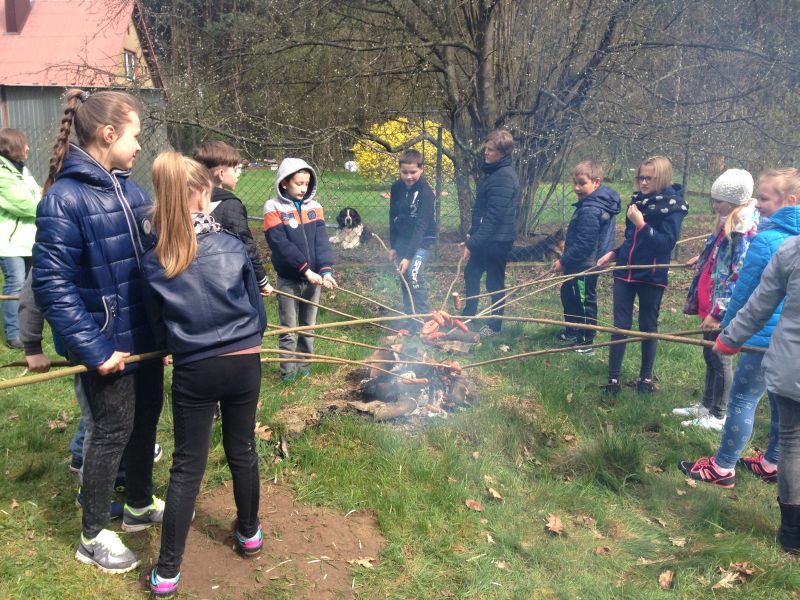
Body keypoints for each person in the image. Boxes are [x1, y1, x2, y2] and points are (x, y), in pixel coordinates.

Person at [32, 89, 164, 573]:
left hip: (146, 340)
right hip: (107, 345)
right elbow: (51, 285)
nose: (137, 146)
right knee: (110, 432)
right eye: (135, 136)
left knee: (146, 420)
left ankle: (138, 506)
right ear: (109, 135)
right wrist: (94, 347)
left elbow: (151, 267)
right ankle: (92, 535)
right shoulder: (63, 200)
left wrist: (164, 334)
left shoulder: (130, 191)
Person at [142, 152, 266, 597]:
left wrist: (173, 347)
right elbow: (258, 311)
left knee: (187, 466)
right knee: (242, 448)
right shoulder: (232, 244)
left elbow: (157, 327)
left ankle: (168, 572)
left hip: (193, 368)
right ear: (199, 195)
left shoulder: (156, 255)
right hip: (243, 362)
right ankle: (249, 533)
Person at [679, 168, 800, 486]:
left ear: (790, 201)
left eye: (763, 198)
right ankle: (773, 462)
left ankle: (722, 467)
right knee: (780, 404)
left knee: (743, 399)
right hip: (791, 346)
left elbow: (747, 293)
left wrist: (725, 324)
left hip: (760, 337)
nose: (757, 204)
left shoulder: (767, 241)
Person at [711, 233, 800, 554]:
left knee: (793, 442)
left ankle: (793, 535)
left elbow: (760, 304)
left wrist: (728, 338)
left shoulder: (792, 249)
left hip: (794, 364)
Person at [597, 156, 688, 394]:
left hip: (652, 275)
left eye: (650, 178)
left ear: (662, 178)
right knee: (620, 325)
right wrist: (615, 253)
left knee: (648, 325)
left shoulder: (673, 206)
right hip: (625, 271)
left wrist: (642, 225)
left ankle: (645, 380)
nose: (644, 183)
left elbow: (666, 244)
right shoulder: (637, 201)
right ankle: (613, 380)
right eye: (641, 177)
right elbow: (631, 239)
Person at [678, 169, 758, 431]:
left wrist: (720, 311)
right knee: (709, 354)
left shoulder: (742, 230)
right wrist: (701, 259)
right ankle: (707, 403)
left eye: (719, 201)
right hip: (708, 301)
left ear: (735, 202)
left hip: (720, 308)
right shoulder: (727, 223)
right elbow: (719, 256)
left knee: (721, 356)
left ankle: (719, 414)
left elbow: (738, 275)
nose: (714, 205)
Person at [263, 158, 336, 382]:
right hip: (290, 278)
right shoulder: (273, 207)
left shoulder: (315, 208)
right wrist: (305, 270)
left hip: (314, 279)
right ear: (284, 183)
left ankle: (305, 365)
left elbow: (321, 242)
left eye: (306, 183)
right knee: (289, 327)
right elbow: (280, 244)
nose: (303, 189)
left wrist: (325, 271)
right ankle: (288, 371)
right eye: (298, 183)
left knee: (308, 325)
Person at [550, 160, 620, 354]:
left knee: (583, 301)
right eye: (575, 183)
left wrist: (563, 261)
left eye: (582, 183)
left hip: (585, 265)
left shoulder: (591, 209)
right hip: (580, 263)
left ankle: (586, 341)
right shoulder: (591, 204)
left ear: (596, 182)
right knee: (569, 293)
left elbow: (585, 243)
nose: (576, 188)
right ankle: (573, 330)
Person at [192, 140, 273, 296]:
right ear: (221, 174)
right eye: (236, 169)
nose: (239, 173)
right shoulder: (231, 206)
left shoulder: (187, 201)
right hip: (227, 281)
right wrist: (261, 281)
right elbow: (246, 245)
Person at [461, 130, 520, 337]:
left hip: (497, 241)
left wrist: (472, 243)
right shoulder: (494, 173)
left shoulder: (503, 177)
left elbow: (494, 218)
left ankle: (495, 326)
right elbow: (483, 211)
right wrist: (472, 233)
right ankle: (469, 316)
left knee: (494, 282)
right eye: (485, 149)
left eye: (490, 150)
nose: (485, 153)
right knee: (471, 274)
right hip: (485, 238)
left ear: (502, 153)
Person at [0, 128, 40, 349]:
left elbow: (38, 193)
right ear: (12, 146)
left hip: (28, 241)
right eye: (24, 144)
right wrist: (45, 205)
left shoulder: (22, 170)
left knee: (30, 287)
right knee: (15, 285)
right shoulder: (1, 173)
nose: (28, 148)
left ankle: (28, 332)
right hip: (9, 244)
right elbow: (22, 203)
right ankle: (14, 334)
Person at [389, 149, 436, 330]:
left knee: (414, 274)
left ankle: (424, 321)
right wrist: (393, 246)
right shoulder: (396, 188)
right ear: (400, 170)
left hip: (422, 240)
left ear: (421, 169)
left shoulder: (426, 193)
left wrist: (408, 257)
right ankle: (411, 318)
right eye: (404, 172)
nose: (408, 177)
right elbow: (392, 217)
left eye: (413, 172)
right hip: (403, 240)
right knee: (404, 276)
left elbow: (421, 227)